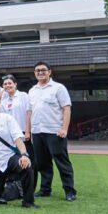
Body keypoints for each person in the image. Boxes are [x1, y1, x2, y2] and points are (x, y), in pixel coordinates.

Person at [27, 61, 76, 201]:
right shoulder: (32, 90)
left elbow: (66, 108)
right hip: (37, 131)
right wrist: (28, 131)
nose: (40, 72)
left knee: (62, 161)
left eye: (43, 70)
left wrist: (64, 129)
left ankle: (70, 191)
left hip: (55, 131)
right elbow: (30, 112)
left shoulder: (58, 88)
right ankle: (45, 189)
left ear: (49, 72)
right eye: (37, 70)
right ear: (34, 73)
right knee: (42, 163)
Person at [0, 75, 32, 158]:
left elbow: (28, 112)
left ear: (15, 84)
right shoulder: (4, 100)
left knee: (28, 155)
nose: (7, 85)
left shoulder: (23, 95)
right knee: (16, 157)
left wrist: (27, 131)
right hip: (10, 134)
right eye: (5, 84)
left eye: (9, 83)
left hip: (23, 131)